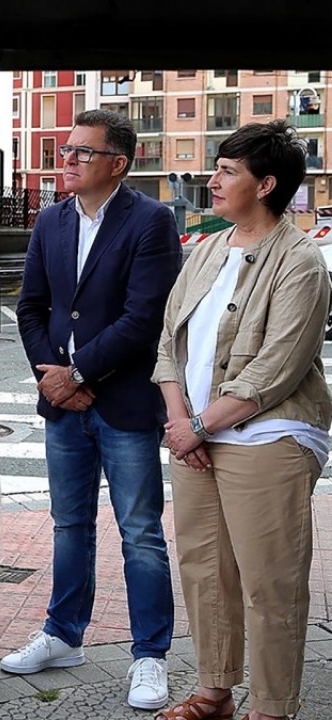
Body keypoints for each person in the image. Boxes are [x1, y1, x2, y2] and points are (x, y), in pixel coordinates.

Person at [153, 121, 331, 720]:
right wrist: (183, 424)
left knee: (269, 582)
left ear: (266, 184)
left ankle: (272, 708)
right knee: (204, 570)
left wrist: (200, 425)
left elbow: (277, 369)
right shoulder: (206, 249)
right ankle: (214, 694)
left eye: (228, 170)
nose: (213, 180)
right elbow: (168, 343)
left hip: (267, 435)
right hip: (197, 434)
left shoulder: (299, 260)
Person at [7, 108, 180, 711]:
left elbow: (144, 318)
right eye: (66, 151)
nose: (69, 160)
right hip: (63, 405)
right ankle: (62, 634)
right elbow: (30, 309)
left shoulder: (151, 221)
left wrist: (80, 373)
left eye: (83, 152)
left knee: (140, 532)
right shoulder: (50, 221)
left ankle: (150, 656)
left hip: (125, 403)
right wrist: (55, 380)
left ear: (118, 163)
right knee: (68, 525)